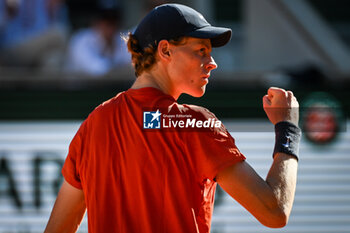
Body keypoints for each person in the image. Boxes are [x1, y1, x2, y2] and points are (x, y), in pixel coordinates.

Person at [44, 3, 301, 233]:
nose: (212, 62)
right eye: (201, 50)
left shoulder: (93, 124)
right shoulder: (194, 123)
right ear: (165, 50)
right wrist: (287, 127)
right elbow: (274, 212)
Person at [0, 0, 68, 68]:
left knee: (53, 60)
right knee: (59, 33)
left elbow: (47, 27)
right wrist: (7, 13)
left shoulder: (42, 2)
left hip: (36, 48)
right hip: (11, 47)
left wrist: (53, 11)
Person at [64, 8, 130, 76]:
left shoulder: (120, 38)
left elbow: (129, 60)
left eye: (114, 24)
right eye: (107, 24)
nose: (111, 29)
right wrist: (120, 66)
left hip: (108, 84)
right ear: (96, 23)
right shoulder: (81, 39)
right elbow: (95, 67)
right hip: (77, 84)